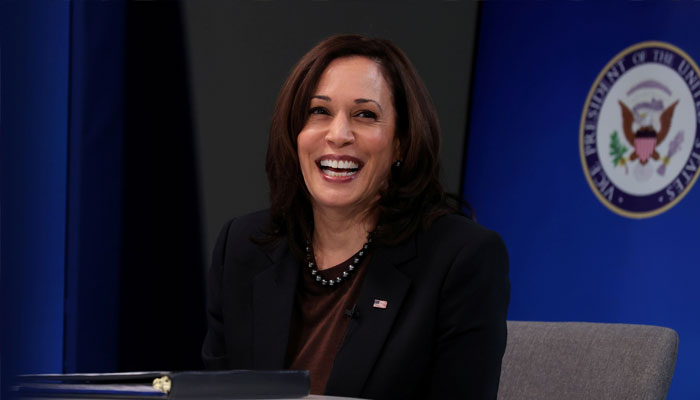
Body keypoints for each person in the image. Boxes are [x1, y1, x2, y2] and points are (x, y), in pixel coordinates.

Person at [202, 34, 510, 399]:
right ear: (295, 133)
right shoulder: (243, 246)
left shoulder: (461, 259)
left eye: (365, 115)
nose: (339, 135)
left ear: (401, 143)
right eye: (319, 111)